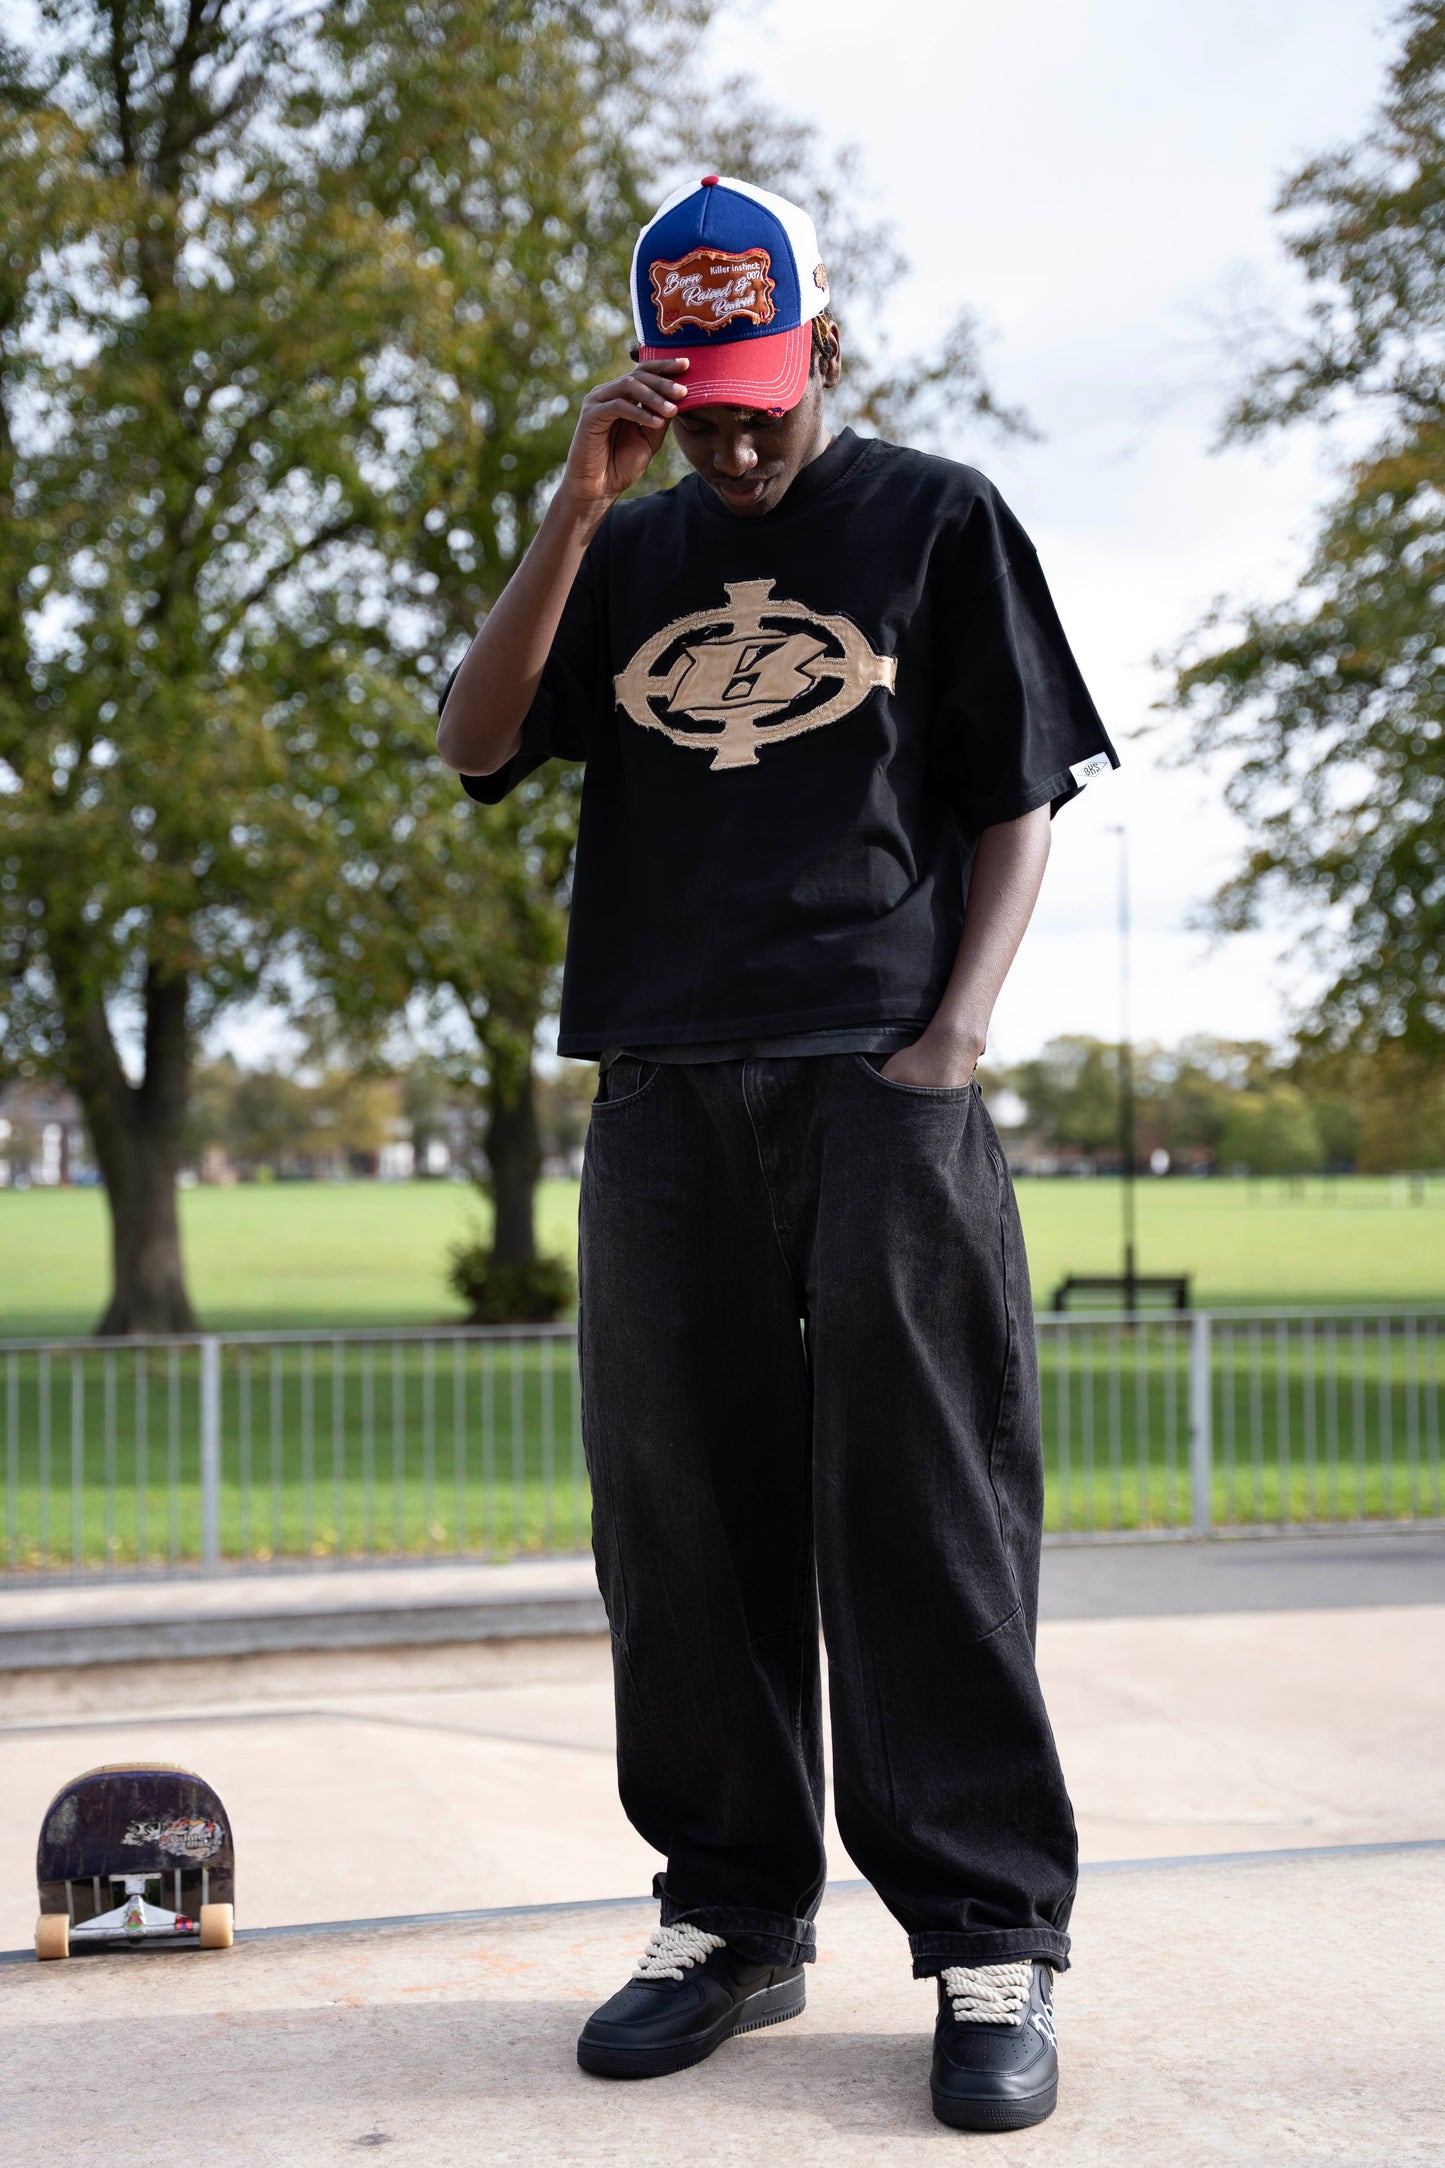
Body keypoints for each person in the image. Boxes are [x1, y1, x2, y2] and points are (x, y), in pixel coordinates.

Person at [436, 174, 1118, 2133]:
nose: (733, 440)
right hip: (663, 1088)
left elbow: (1016, 799)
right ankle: (730, 1916)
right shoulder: (626, 545)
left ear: (821, 350)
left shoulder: (933, 518)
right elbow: (478, 743)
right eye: (696, 404)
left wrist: (950, 1045)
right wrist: (576, 505)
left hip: (876, 1082)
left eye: (761, 396)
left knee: (927, 1517)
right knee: (680, 1525)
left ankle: (992, 1937)